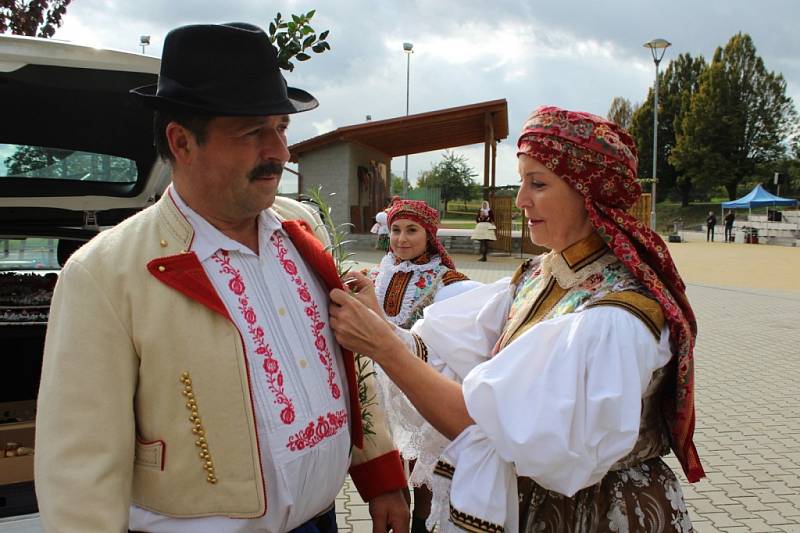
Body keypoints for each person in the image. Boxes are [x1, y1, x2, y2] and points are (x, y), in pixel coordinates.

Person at [34, 22, 409, 533]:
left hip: (320, 523)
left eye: (280, 127)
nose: (281, 152)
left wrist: (379, 472)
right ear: (182, 142)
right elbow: (79, 469)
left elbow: (349, 357)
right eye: (254, 132)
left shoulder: (304, 227)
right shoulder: (105, 273)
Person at [329, 106, 705, 532]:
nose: (521, 199)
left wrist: (380, 344)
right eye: (523, 181)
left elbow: (484, 423)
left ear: (589, 193)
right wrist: (378, 323)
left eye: (538, 184)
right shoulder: (540, 275)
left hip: (596, 512)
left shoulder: (618, 316)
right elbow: (449, 355)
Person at [363, 199, 480, 533]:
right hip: (381, 385)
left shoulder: (450, 281)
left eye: (412, 230)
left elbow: (459, 340)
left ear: (429, 234)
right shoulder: (379, 272)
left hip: (422, 386)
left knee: (423, 475)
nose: (401, 239)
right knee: (390, 469)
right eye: (396, 230)